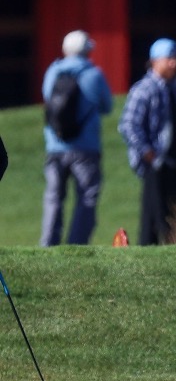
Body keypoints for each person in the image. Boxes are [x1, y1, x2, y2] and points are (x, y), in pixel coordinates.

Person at [118, 38, 176, 246]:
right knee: (154, 217)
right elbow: (128, 125)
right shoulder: (144, 89)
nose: (174, 63)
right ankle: (150, 255)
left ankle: (169, 254)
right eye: (169, 59)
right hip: (155, 163)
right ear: (155, 61)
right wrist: (147, 151)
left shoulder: (173, 89)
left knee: (172, 217)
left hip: (174, 163)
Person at [40, 29, 113, 246]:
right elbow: (107, 106)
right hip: (86, 147)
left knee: (53, 198)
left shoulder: (53, 71)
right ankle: (77, 243)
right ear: (87, 50)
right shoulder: (94, 74)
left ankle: (48, 243)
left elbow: (47, 98)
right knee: (87, 197)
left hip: (55, 145)